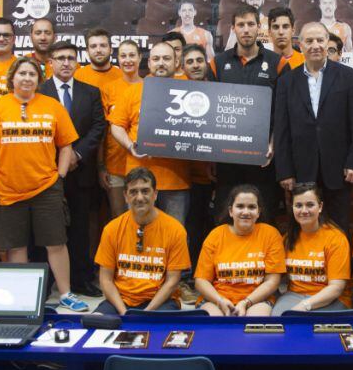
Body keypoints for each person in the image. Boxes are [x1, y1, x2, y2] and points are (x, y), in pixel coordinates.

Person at [0, 56, 88, 312]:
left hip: (46, 188)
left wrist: (59, 177)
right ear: (12, 77)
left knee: (56, 242)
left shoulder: (53, 106)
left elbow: (66, 144)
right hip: (7, 190)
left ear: (39, 79)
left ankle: (66, 294)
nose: (27, 78)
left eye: (32, 74)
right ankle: (22, 297)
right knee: (16, 246)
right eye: (22, 73)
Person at [274, 22, 353, 233]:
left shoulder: (348, 77)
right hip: (301, 170)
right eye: (309, 41)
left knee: (339, 227)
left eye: (320, 40)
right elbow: (282, 129)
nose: (315, 45)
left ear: (328, 43)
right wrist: (285, 171)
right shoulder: (287, 81)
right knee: (302, 229)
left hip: (340, 169)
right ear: (300, 45)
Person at [209, 4, 290, 223]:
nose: (246, 29)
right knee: (224, 216)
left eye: (250, 24)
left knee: (265, 215)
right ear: (233, 28)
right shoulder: (217, 63)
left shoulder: (278, 64)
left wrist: (273, 143)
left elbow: (284, 113)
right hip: (227, 158)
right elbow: (210, 112)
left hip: (264, 158)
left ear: (258, 27)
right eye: (241, 25)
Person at [40, 41, 106, 297]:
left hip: (81, 172)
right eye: (60, 58)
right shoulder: (39, 91)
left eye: (70, 58)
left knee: (80, 228)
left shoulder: (91, 92)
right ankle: (45, 283)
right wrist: (59, 159)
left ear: (78, 62)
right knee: (46, 229)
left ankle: (81, 279)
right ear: (51, 62)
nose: (66, 62)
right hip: (47, 173)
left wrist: (76, 154)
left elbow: (98, 127)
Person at [110, 42, 192, 224]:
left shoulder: (190, 91)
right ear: (149, 63)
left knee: (174, 238)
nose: (161, 63)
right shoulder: (133, 91)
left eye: (166, 58)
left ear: (177, 61)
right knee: (138, 236)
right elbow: (116, 125)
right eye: (156, 59)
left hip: (175, 181)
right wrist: (130, 145)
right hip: (139, 180)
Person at [93, 167, 191, 314]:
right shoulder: (111, 229)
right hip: (120, 301)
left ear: (155, 194)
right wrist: (124, 312)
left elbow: (172, 281)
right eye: (133, 192)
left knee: (160, 331)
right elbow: (105, 280)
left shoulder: (175, 230)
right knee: (96, 322)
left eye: (145, 191)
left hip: (159, 302)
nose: (139, 197)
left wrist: (145, 314)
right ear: (125, 196)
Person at [194, 185, 286, 316]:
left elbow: (273, 281)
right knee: (215, 325)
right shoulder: (216, 235)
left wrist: (246, 302)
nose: (246, 212)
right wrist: (220, 301)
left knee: (254, 324)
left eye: (252, 207)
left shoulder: (270, 234)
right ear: (231, 211)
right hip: (218, 298)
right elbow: (201, 281)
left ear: (259, 212)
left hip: (257, 299)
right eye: (240, 206)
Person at [271, 183, 351, 316]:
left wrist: (305, 305)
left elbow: (336, 288)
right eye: (298, 205)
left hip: (331, 298)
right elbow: (273, 278)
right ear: (292, 208)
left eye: (310, 205)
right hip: (294, 295)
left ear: (320, 207)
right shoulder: (287, 238)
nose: (304, 210)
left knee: (308, 322)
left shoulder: (336, 239)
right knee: (279, 318)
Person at [181, 44, 215, 275]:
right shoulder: (176, 92)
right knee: (191, 229)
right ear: (182, 66)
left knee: (215, 228)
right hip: (186, 176)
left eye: (199, 61)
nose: (195, 65)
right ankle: (192, 276)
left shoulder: (219, 90)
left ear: (206, 63)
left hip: (218, 174)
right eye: (190, 61)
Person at [99, 40, 142, 218]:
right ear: (117, 59)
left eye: (132, 55)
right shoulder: (109, 89)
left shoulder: (151, 87)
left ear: (140, 58)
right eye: (123, 56)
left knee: (139, 217)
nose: (128, 60)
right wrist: (100, 166)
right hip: (114, 165)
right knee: (118, 217)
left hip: (142, 164)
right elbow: (102, 132)